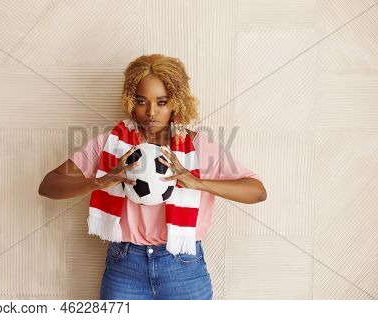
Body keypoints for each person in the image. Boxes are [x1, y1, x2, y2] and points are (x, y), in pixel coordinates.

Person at [38, 54, 267, 300]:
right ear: (130, 101)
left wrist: (195, 182)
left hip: (183, 266)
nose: (150, 113)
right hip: (125, 266)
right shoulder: (111, 145)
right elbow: (48, 185)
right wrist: (103, 180)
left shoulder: (199, 147)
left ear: (176, 102)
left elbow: (256, 191)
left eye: (161, 102)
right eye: (141, 101)